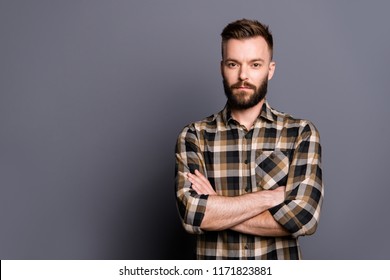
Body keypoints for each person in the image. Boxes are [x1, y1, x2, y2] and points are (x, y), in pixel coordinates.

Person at [175, 19, 324, 260]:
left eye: (255, 64)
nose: (243, 75)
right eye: (233, 64)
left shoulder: (301, 134)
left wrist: (216, 206)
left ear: (270, 69)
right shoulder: (194, 136)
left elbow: (302, 219)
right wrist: (270, 197)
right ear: (222, 67)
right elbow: (193, 215)